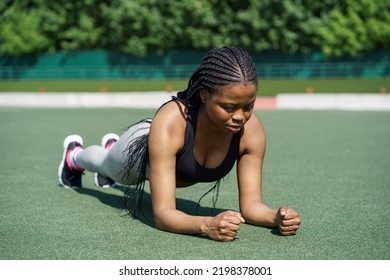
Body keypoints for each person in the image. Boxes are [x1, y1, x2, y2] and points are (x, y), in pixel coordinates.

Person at [58, 46, 301, 242]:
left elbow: (251, 206)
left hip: (159, 154)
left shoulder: (251, 131)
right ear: (204, 96)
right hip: (139, 149)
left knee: (108, 161)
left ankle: (111, 147)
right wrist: (206, 224)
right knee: (104, 163)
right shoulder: (172, 121)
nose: (239, 116)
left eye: (248, 106)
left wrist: (275, 218)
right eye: (228, 107)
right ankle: (75, 156)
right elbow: (163, 216)